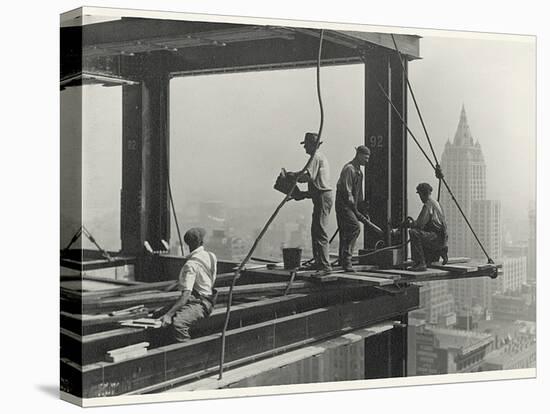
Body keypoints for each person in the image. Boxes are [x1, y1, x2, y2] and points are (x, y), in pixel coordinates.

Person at [159, 227, 217, 342]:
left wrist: (169, 315)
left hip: (201, 305)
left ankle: (187, 351)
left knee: (178, 324)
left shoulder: (190, 265)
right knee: (159, 313)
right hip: (210, 299)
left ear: (188, 244)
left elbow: (185, 296)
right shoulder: (211, 256)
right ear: (202, 242)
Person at [287, 132, 333, 274]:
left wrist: (294, 176)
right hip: (320, 196)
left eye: (306, 144)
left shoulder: (315, 157)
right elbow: (315, 182)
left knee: (320, 230)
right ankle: (319, 262)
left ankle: (324, 265)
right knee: (316, 230)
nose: (304, 147)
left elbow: (308, 177)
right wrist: (302, 194)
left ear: (313, 144)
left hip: (322, 196)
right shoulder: (318, 157)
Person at [335, 145, 371, 272]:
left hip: (351, 206)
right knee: (355, 228)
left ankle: (342, 261)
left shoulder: (359, 172)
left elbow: (359, 195)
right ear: (359, 155)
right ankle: (347, 260)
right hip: (344, 205)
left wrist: (362, 211)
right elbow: (347, 192)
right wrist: (356, 212)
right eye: (365, 158)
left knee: (345, 232)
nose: (367, 161)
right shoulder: (349, 169)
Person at [407, 183, 449, 271]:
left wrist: (409, 224)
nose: (420, 198)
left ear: (423, 194)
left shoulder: (428, 205)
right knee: (422, 232)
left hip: (436, 238)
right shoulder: (436, 203)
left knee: (413, 232)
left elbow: (420, 224)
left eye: (420, 195)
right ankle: (439, 251)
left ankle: (420, 263)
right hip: (442, 239)